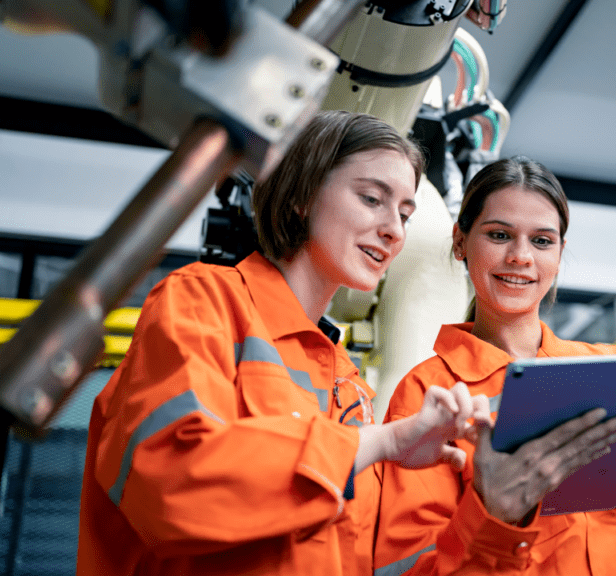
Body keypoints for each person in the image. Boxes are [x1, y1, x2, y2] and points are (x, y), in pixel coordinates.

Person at [77, 111, 489, 576]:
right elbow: (174, 486)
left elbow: (362, 555)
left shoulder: (346, 384)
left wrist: (499, 499)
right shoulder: (204, 301)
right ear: (302, 197)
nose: (394, 230)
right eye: (372, 198)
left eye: (405, 214)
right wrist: (383, 440)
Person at [374, 157, 616, 576]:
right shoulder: (429, 392)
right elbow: (405, 568)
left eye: (541, 241)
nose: (520, 256)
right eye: (500, 235)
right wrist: (495, 513)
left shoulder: (614, 369)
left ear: (559, 254)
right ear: (461, 242)